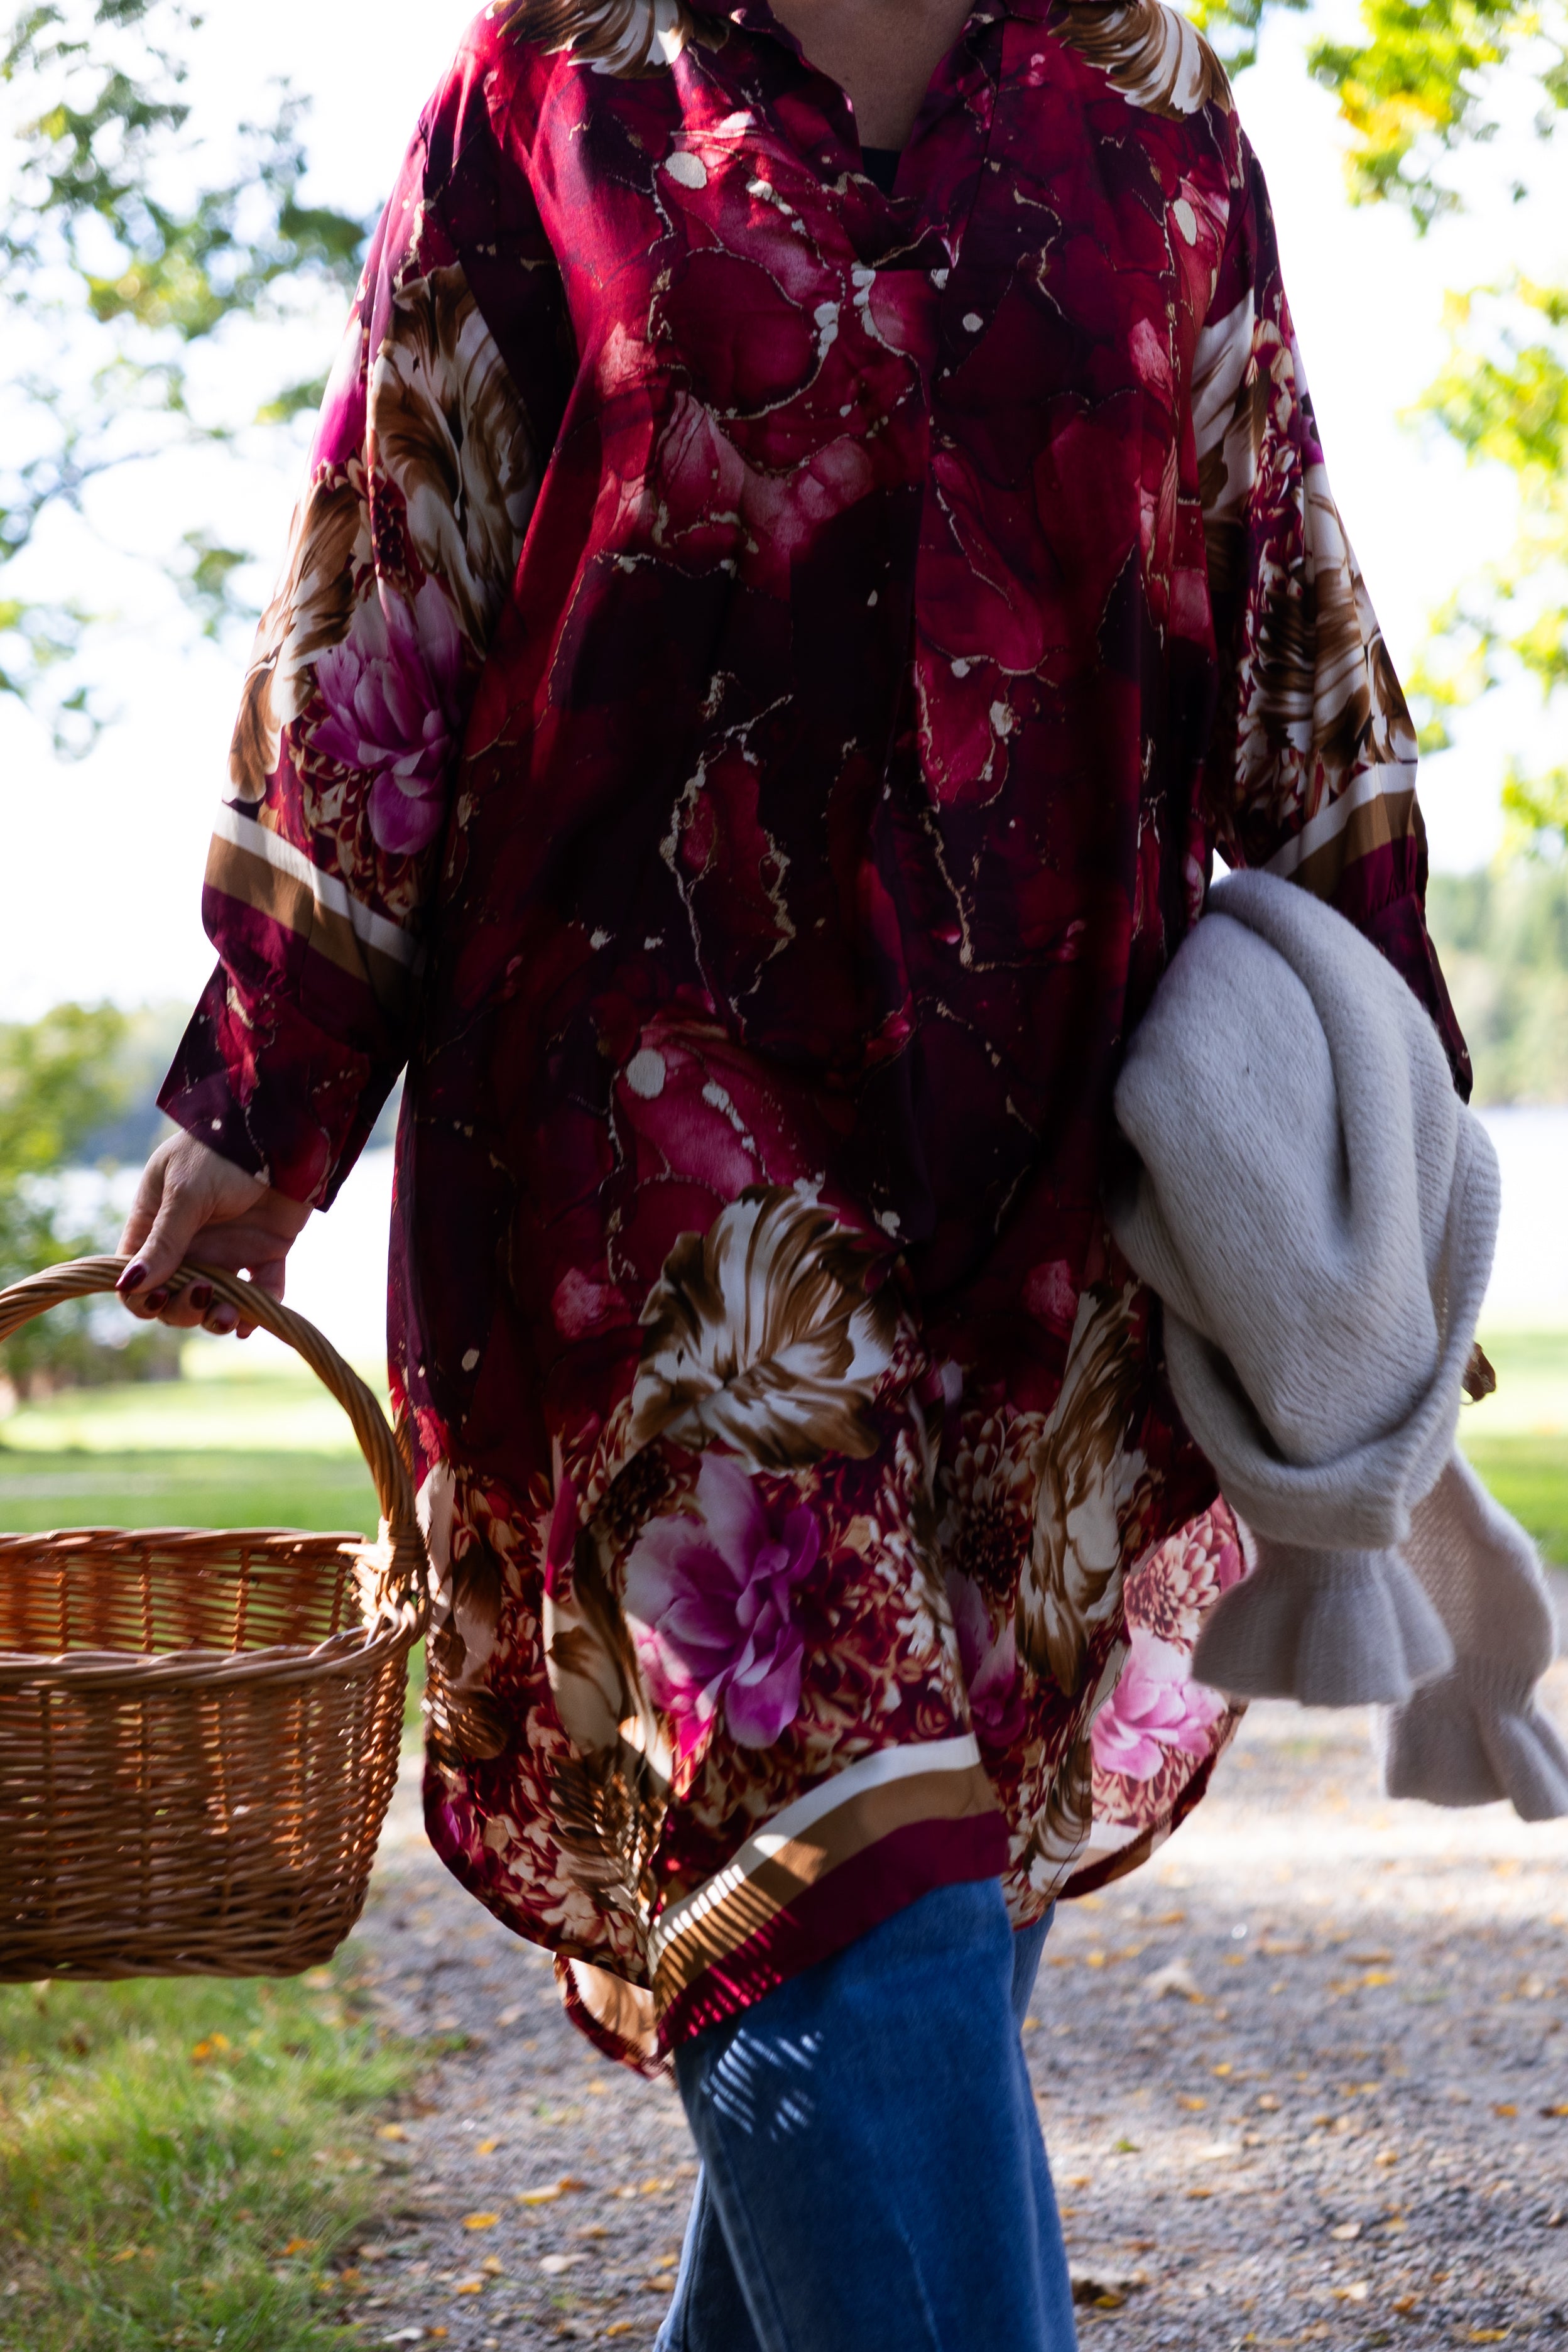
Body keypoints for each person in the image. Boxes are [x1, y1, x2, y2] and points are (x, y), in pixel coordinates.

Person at [119, 0, 1469, 2340]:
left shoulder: (1145, 99)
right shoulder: (555, 86)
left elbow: (1280, 590)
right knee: (861, 1896)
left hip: (1053, 1224)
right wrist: (269, 1077)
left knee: (876, 1955)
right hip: (648, 1183)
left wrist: (1380, 1103)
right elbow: (395, 584)